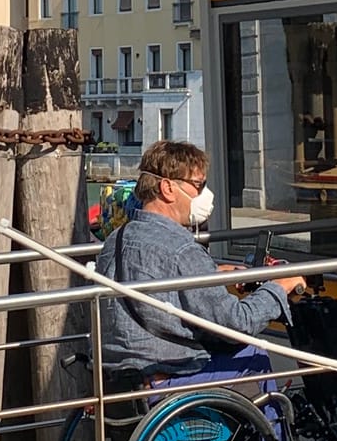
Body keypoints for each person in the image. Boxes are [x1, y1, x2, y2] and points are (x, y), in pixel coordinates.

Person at [92, 137, 302, 388]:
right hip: (166, 372)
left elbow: (152, 282)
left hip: (120, 374)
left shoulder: (115, 240)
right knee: (253, 355)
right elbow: (239, 324)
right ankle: (273, 428)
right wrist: (278, 288)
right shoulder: (182, 250)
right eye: (198, 186)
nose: (204, 195)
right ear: (168, 188)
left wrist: (212, 273)